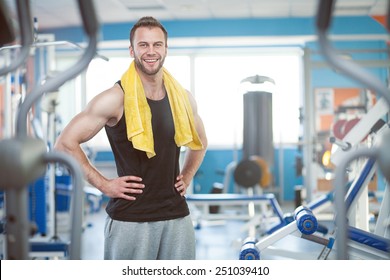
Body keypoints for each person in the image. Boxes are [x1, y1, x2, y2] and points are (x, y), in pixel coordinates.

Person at [54, 16, 207, 260]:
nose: (151, 51)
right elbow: (64, 144)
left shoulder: (183, 98)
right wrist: (104, 184)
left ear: (166, 49)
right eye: (143, 45)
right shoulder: (115, 98)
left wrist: (187, 175)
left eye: (157, 44)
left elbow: (200, 143)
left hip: (177, 216)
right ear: (131, 50)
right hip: (131, 219)